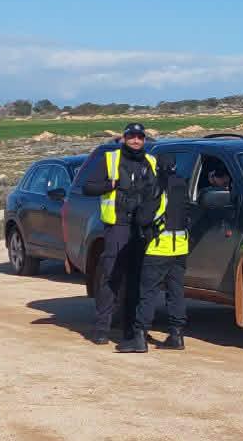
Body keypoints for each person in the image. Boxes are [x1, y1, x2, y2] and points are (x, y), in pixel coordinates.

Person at [78, 122, 159, 351]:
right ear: (124, 138)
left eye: (140, 137)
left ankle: (131, 330)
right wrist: (112, 184)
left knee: (135, 279)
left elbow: (157, 192)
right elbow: (88, 187)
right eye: (131, 136)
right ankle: (102, 328)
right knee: (111, 277)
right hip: (118, 225)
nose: (136, 140)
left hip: (140, 226)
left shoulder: (150, 162)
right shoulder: (110, 159)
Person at [134, 154, 189, 350]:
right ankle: (177, 335)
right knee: (176, 293)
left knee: (148, 293)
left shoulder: (158, 186)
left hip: (158, 246)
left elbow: (144, 217)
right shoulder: (182, 184)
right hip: (180, 245)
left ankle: (140, 337)